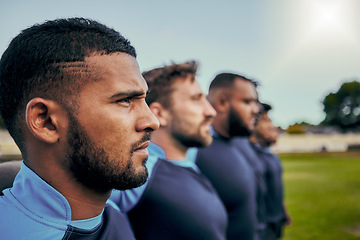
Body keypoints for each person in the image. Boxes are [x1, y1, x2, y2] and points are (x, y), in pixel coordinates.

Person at [0, 17, 159, 239]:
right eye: (125, 100)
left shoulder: (104, 210)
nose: (153, 121)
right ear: (46, 121)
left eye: (144, 99)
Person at [124, 61, 228, 240]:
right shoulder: (137, 174)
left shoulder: (186, 162)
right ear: (160, 113)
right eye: (196, 99)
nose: (210, 111)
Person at [195, 72, 261, 240]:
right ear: (222, 102)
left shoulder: (240, 142)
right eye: (248, 101)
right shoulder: (193, 150)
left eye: (256, 102)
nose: (256, 110)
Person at [249, 103, 292, 240]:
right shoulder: (250, 156)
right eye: (265, 121)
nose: (271, 126)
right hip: (263, 223)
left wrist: (283, 210)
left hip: (277, 218)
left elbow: (274, 185)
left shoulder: (271, 154)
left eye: (270, 120)